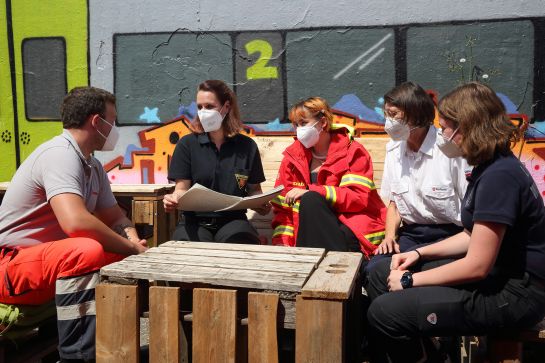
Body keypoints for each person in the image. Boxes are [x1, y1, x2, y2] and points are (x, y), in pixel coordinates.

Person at [365, 82, 545, 362]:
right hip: (500, 275)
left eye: (446, 127)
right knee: (379, 272)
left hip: (516, 294)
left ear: (468, 128)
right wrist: (417, 253)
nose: (443, 135)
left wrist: (411, 279)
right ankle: (429, 352)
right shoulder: (491, 166)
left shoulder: (499, 177)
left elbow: (477, 265)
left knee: (384, 312)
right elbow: (473, 234)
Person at [0, 87, 148, 362]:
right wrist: (130, 247)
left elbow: (116, 218)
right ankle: (77, 355)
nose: (114, 129)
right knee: (86, 250)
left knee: (119, 255)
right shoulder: (59, 154)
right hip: (10, 267)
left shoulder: (92, 166)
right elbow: (76, 223)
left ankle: (115, 346)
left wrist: (133, 241)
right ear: (96, 122)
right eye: (112, 122)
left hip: (44, 264)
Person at [366, 82, 470, 272]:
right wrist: (389, 237)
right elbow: (394, 204)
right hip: (412, 235)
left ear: (416, 113)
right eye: (386, 114)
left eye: (394, 114)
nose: (388, 121)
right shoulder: (394, 150)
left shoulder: (448, 150)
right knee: (374, 270)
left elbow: (471, 207)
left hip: (451, 236)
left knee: (402, 272)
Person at [271, 96, 386, 254]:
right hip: (307, 237)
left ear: (323, 123)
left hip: (348, 232)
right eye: (295, 125)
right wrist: (281, 243)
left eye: (304, 123)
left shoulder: (352, 152)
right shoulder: (292, 158)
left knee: (310, 200)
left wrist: (314, 191)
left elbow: (358, 198)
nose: (299, 130)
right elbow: (282, 210)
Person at [164, 80, 269, 244]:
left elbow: (255, 190)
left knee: (241, 244)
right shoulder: (187, 145)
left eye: (209, 106)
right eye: (200, 107)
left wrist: (261, 203)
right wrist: (173, 199)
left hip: (234, 221)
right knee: (186, 249)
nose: (203, 112)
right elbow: (181, 189)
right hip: (194, 222)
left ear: (226, 107)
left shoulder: (247, 146)